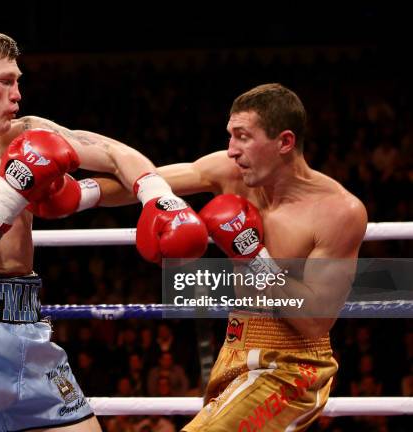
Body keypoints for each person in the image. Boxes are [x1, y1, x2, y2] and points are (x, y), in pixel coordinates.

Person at [0, 29, 208, 432]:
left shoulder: (25, 134)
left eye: (17, 81)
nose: (17, 94)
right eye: (5, 82)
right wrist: (14, 188)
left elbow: (114, 154)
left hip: (29, 330)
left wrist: (158, 197)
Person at [96, 83, 368, 431]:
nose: (232, 151)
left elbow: (316, 321)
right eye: (230, 136)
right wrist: (78, 194)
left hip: (293, 366)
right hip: (235, 348)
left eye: (243, 137)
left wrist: (253, 255)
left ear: (285, 142)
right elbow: (146, 182)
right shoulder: (231, 174)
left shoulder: (339, 211)